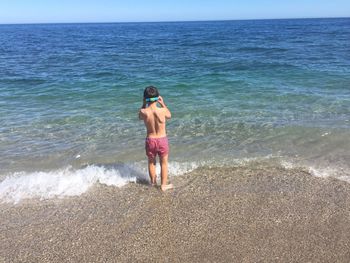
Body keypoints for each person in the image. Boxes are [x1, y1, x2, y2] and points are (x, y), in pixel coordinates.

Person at [139, 86, 174, 191]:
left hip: (150, 140)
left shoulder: (143, 111)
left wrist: (144, 104)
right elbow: (169, 115)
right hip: (162, 140)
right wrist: (162, 103)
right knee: (164, 163)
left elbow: (140, 117)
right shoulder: (162, 111)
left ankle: (153, 183)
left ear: (145, 98)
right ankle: (163, 185)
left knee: (151, 162)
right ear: (158, 97)